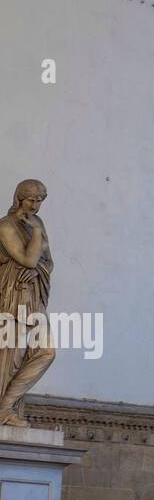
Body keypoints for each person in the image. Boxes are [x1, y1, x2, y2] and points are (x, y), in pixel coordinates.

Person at [0, 179, 56, 427]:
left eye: (40, 200)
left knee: (46, 352)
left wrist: (37, 271)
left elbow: (47, 263)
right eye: (31, 199)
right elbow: (27, 259)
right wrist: (35, 233)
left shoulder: (38, 223)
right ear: (19, 198)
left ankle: (5, 406)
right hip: (14, 296)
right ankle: (5, 409)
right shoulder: (6, 226)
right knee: (12, 355)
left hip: (33, 296)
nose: (35, 205)